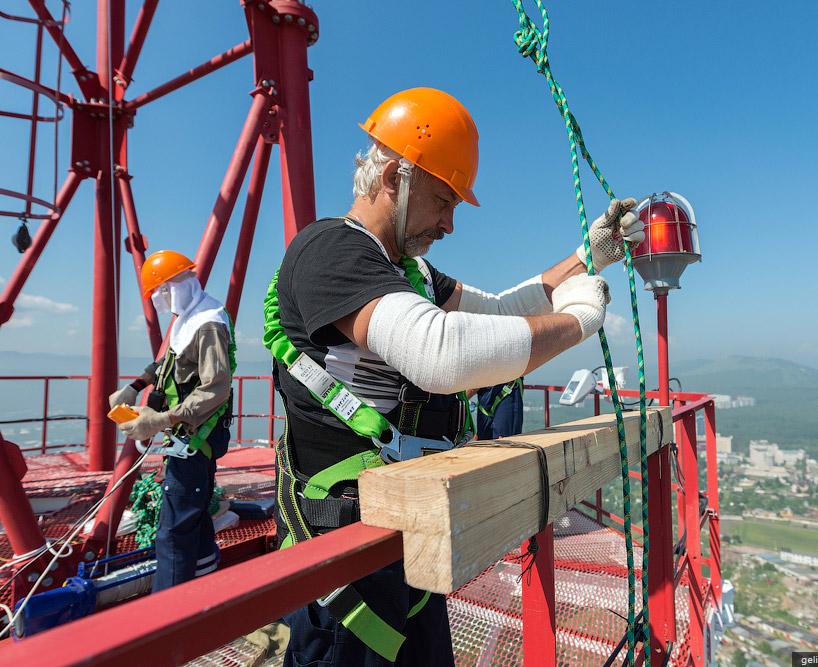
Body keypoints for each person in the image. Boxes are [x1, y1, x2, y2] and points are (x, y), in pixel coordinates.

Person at [267, 87, 643, 667]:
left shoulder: (406, 271)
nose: (448, 223)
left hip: (402, 527)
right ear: (396, 176)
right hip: (343, 551)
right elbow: (440, 354)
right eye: (443, 200)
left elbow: (496, 311)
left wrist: (587, 258)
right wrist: (579, 321)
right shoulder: (331, 251)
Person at [108, 250, 234, 592]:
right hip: (187, 434)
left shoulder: (207, 323)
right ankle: (204, 585)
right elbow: (167, 363)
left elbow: (217, 387)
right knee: (193, 514)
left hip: (195, 437)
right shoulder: (189, 318)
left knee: (173, 531)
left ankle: (167, 613)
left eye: (162, 293)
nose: (162, 301)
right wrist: (135, 387)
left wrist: (162, 419)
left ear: (175, 287)